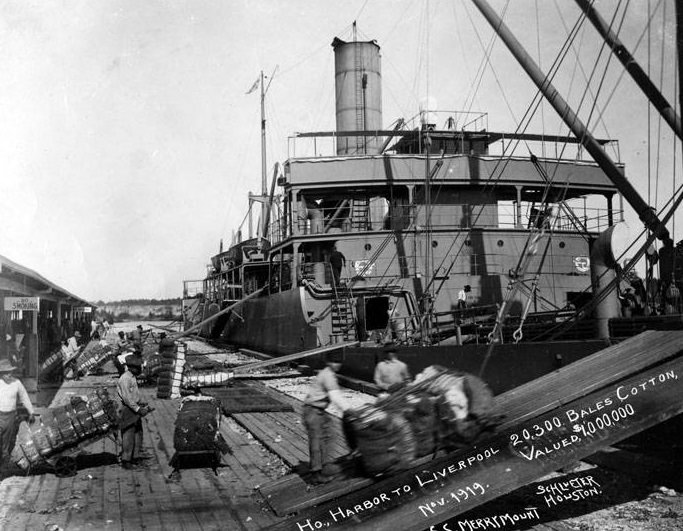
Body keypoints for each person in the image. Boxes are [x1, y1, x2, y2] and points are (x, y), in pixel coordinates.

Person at [302, 350, 348, 484]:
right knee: (316, 441)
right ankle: (315, 474)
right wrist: (350, 411)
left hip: (320, 410)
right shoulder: (328, 376)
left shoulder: (329, 374)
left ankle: (325, 464)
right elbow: (336, 397)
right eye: (334, 362)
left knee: (330, 435)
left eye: (339, 362)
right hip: (312, 410)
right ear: (328, 362)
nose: (337, 365)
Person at [116, 354, 152, 469]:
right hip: (127, 410)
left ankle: (135, 457)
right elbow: (127, 398)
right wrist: (138, 409)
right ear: (131, 367)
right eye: (138, 368)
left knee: (138, 434)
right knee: (128, 435)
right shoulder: (125, 379)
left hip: (134, 409)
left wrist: (141, 403)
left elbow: (133, 395)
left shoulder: (132, 377)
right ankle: (126, 460)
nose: (140, 370)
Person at [0, 359, 36, 466]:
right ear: (1, 374)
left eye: (10, 372)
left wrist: (31, 412)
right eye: (6, 373)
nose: (9, 375)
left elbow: (24, 397)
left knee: (6, 442)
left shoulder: (17, 383)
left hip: (10, 416)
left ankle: (3, 462)